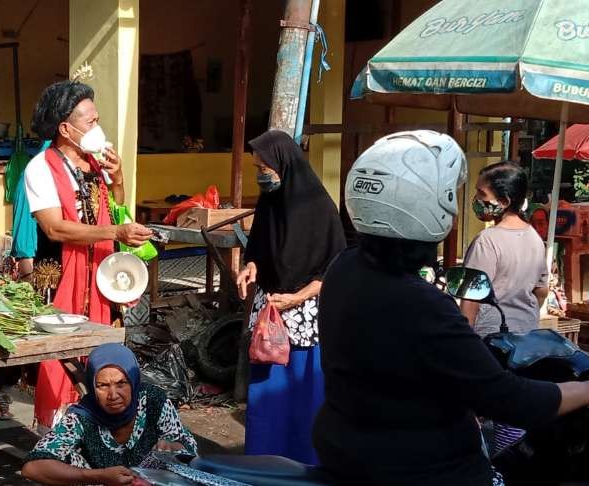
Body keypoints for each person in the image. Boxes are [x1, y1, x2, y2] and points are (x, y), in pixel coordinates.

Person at [314, 130, 589, 485]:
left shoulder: (344, 268)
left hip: (345, 452)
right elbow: (508, 399)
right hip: (421, 469)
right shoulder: (423, 304)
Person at [23, 80, 153, 430]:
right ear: (65, 128)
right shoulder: (40, 167)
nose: (98, 128)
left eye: (97, 119)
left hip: (101, 278)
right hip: (62, 276)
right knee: (62, 362)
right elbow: (55, 228)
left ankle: (104, 434)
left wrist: (119, 178)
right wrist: (116, 233)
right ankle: (61, 440)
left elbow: (117, 208)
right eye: (90, 122)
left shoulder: (96, 163)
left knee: (103, 358)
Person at [233, 130, 346, 464]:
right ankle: (263, 461)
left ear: (285, 164)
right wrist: (249, 268)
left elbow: (334, 270)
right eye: (257, 169)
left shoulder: (320, 208)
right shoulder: (269, 204)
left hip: (306, 317)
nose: (261, 176)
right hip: (271, 316)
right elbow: (258, 250)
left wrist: (298, 297)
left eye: (265, 168)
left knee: (305, 392)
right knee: (267, 395)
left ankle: (307, 463)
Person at [21, 344, 197, 485]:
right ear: (92, 386)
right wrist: (96, 476)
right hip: (101, 482)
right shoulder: (82, 416)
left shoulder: (153, 401)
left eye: (121, 383)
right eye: (103, 385)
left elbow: (191, 450)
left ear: (133, 381)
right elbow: (33, 468)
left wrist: (175, 447)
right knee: (62, 461)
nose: (113, 395)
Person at [460, 162, 548, 336]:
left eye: (481, 193)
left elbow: (471, 298)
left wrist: (465, 341)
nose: (476, 198)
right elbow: (542, 291)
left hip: (491, 335)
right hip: (527, 332)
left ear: (504, 201)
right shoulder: (534, 237)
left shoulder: (487, 241)